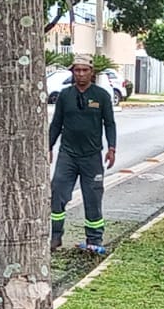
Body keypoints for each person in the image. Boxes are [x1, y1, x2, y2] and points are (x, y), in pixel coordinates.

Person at [48, 53, 117, 252]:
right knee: (58, 194)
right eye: (77, 70)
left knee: (93, 197)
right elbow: (56, 124)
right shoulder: (64, 96)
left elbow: (110, 124)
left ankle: (94, 239)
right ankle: (55, 236)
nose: (80, 74)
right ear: (72, 72)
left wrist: (111, 148)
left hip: (92, 156)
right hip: (67, 155)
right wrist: (49, 147)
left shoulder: (102, 96)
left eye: (84, 70)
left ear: (91, 72)